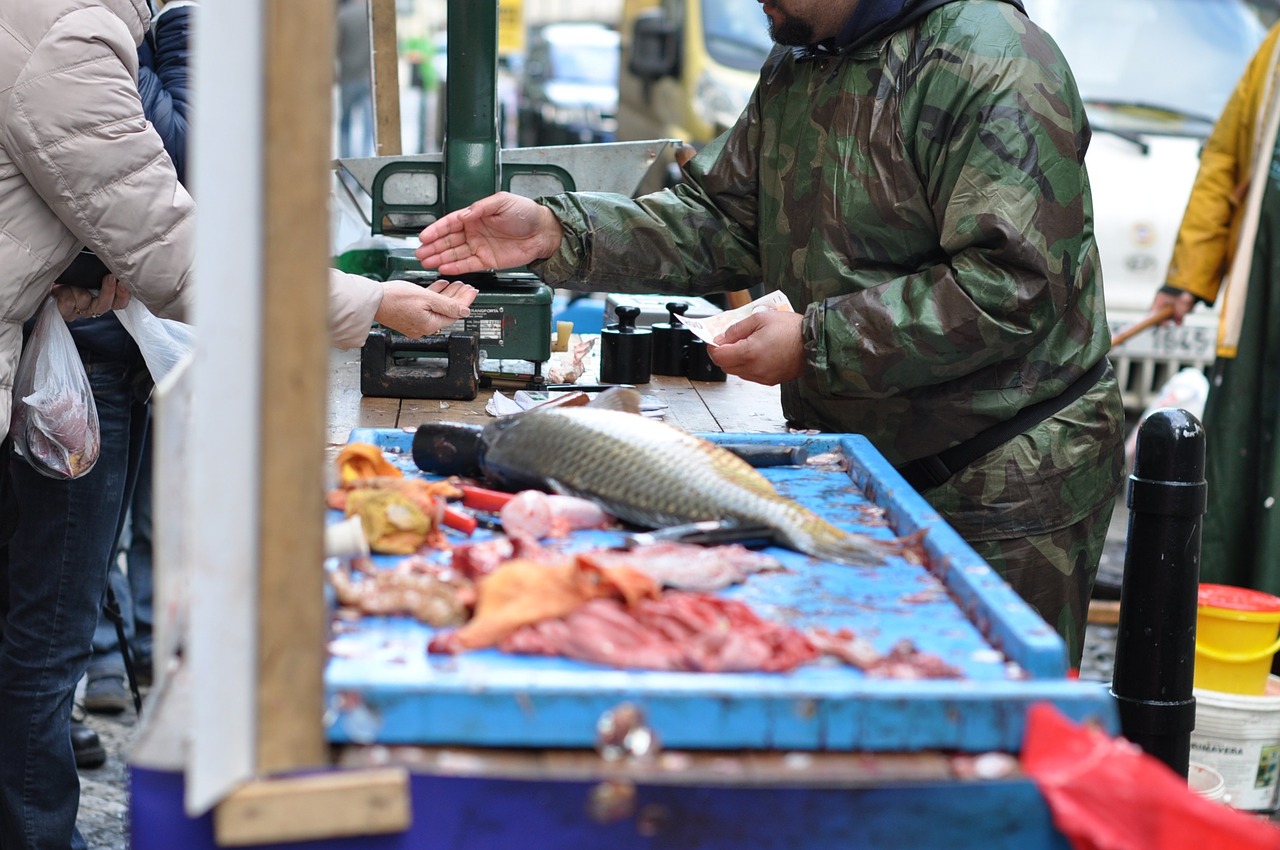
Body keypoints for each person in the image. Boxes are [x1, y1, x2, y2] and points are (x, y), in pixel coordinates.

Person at [417, 0, 1125, 666]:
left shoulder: (992, 59)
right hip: (862, 467)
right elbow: (722, 220)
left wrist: (816, 342)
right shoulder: (802, 59)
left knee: (980, 719)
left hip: (996, 483)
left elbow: (1013, 284)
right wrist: (559, 231)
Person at [0, 3, 476, 848]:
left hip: (64, 343)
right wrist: (371, 302)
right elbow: (180, 251)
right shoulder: (68, 36)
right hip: (71, 363)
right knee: (44, 643)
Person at [1148, 21, 1280, 599]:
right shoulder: (1275, 48)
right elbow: (1226, 156)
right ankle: (1237, 608)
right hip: (1262, 294)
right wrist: (1187, 277)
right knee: (1242, 455)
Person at [336, 0, 374, 158]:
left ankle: (345, 163)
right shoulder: (371, 15)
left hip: (348, 76)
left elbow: (336, 47)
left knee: (345, 123)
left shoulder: (343, 15)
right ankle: (366, 162)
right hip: (367, 76)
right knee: (368, 124)